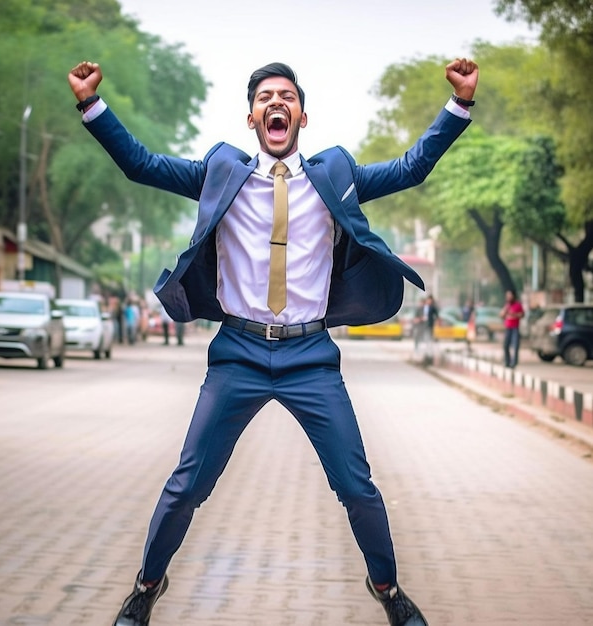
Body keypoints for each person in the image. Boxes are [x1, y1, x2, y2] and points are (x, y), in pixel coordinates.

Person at [68, 56, 478, 626]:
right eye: (265, 97)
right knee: (187, 485)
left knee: (357, 488)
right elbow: (141, 165)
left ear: (302, 118)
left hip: (310, 357)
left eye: (286, 96)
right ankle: (146, 586)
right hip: (236, 353)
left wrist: (458, 104)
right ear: (252, 118)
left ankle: (387, 588)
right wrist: (92, 104)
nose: (275, 103)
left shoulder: (334, 176)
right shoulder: (220, 173)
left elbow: (411, 168)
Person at [500, 289, 525, 368]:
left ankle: (514, 363)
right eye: (507, 296)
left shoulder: (518, 305)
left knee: (515, 345)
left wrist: (514, 314)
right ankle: (507, 361)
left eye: (510, 295)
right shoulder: (507, 305)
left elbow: (522, 315)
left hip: (515, 328)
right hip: (508, 328)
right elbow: (501, 315)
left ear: (513, 296)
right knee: (505, 345)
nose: (508, 297)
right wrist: (505, 311)